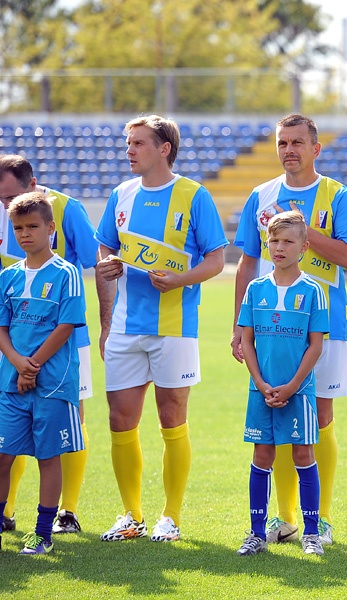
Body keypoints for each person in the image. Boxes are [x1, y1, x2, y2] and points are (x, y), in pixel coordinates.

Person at [94, 115, 227, 543]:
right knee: (120, 420)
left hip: (174, 326)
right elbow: (105, 247)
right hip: (126, 329)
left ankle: (170, 516)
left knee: (171, 418)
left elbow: (216, 260)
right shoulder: (121, 194)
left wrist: (179, 280)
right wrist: (107, 267)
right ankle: (131, 515)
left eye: (138, 143)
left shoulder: (193, 195)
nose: (129, 150)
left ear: (164, 148)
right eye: (127, 143)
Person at [231, 114, 347, 547]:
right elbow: (248, 263)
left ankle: (319, 519)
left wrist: (304, 231)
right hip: (270, 330)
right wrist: (239, 326)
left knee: (319, 419)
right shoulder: (260, 195)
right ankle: (285, 519)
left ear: (315, 148)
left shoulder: (335, 195)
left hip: (325, 327)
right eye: (282, 143)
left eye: (297, 143)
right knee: (275, 417)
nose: (289, 150)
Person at [0, 154, 108, 536]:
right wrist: (16, 360)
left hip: (59, 351)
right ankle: (8, 510)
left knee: (65, 429)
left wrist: (106, 321)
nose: (5, 203)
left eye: (10, 195)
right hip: (12, 347)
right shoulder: (10, 270)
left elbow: (96, 258)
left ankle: (66, 512)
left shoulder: (66, 209)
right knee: (7, 437)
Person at [236, 211, 328, 557]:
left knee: (303, 454)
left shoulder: (313, 291)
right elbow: (246, 341)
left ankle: (312, 533)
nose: (279, 247)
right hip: (261, 391)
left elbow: (315, 345)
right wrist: (260, 383)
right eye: (274, 240)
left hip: (298, 393)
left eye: (288, 241)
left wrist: (291, 386)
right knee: (262, 455)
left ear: (304, 247)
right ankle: (257, 534)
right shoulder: (255, 289)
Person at [0, 192, 86, 554]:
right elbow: (2, 329)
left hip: (53, 384)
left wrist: (31, 366)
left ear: (51, 228)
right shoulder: (7, 277)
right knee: (2, 456)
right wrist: (18, 364)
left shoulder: (67, 274)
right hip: (11, 382)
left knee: (48, 457)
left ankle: (42, 533)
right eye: (18, 228)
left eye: (33, 226)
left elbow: (66, 325)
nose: (25, 234)